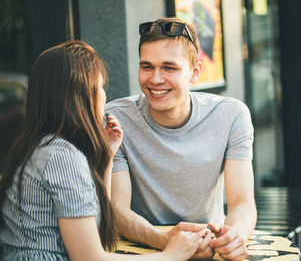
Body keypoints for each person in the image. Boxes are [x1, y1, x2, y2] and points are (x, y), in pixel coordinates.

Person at [0, 40, 207, 261]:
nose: (103, 96)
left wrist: (107, 156)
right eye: (100, 87)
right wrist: (171, 255)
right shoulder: (62, 157)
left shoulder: (41, 146)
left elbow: (93, 231)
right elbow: (89, 257)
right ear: (81, 96)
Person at [106, 18, 257, 260]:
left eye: (169, 67)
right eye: (147, 67)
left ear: (195, 72)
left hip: (208, 248)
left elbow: (242, 202)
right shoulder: (115, 118)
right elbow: (117, 209)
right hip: (142, 251)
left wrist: (235, 236)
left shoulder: (231, 115)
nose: (155, 79)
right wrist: (166, 241)